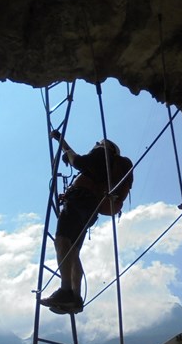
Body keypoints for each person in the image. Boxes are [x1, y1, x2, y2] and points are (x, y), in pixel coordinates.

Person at [40, 130, 124, 315]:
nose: (95, 144)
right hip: (89, 207)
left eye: (97, 142)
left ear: (104, 145)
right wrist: (62, 142)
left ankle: (66, 291)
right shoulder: (107, 164)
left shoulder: (102, 152)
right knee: (73, 251)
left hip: (79, 201)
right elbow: (78, 159)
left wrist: (68, 153)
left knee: (62, 241)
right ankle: (75, 298)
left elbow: (79, 162)